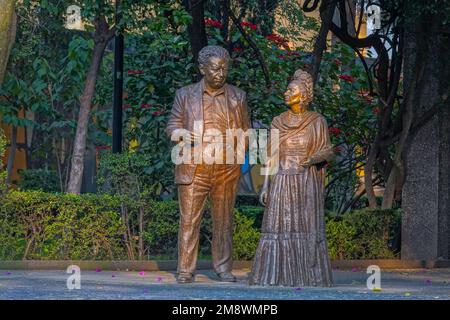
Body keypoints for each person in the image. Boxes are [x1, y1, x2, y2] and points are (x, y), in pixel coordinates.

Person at [165, 45, 251, 283]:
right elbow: (171, 126)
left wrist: (237, 159)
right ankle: (185, 269)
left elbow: (246, 132)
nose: (220, 73)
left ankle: (223, 268)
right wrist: (182, 132)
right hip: (194, 168)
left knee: (223, 222)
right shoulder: (185, 95)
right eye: (215, 68)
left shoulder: (237, 96)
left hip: (225, 170)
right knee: (189, 220)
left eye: (224, 69)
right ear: (202, 68)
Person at [249, 70, 334, 287]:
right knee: (277, 230)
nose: (286, 93)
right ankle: (275, 275)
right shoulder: (277, 122)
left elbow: (327, 151)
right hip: (281, 182)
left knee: (306, 229)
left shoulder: (317, 122)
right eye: (287, 89)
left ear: (303, 96)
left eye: (291, 90)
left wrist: (314, 158)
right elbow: (271, 156)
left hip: (305, 182)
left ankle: (308, 276)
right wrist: (265, 186)